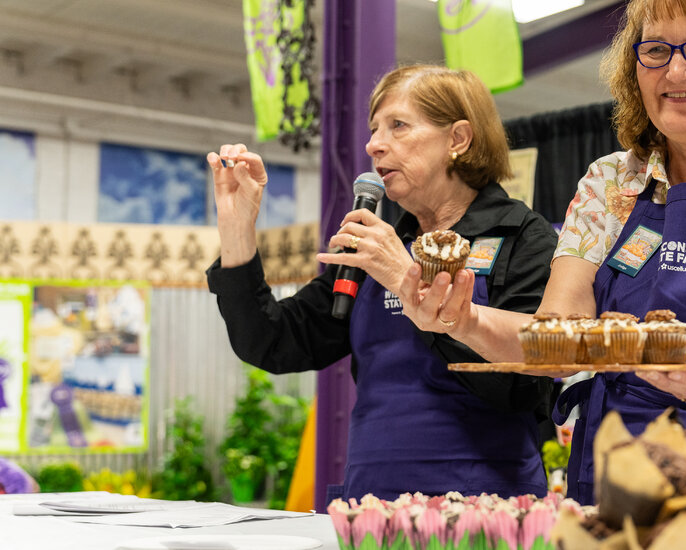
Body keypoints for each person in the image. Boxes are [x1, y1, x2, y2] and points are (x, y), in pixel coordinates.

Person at [397, 0, 686, 522]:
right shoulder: (610, 183)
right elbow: (560, 340)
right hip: (624, 474)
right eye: (657, 50)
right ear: (634, 69)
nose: (677, 70)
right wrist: (465, 320)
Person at [205, 65, 558, 501]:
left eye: (398, 126)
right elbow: (272, 342)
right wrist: (237, 226)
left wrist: (403, 274)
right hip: (373, 505)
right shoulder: (374, 248)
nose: (374, 144)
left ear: (458, 139)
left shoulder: (523, 236)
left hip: (485, 506)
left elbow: (523, 386)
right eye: (374, 129)